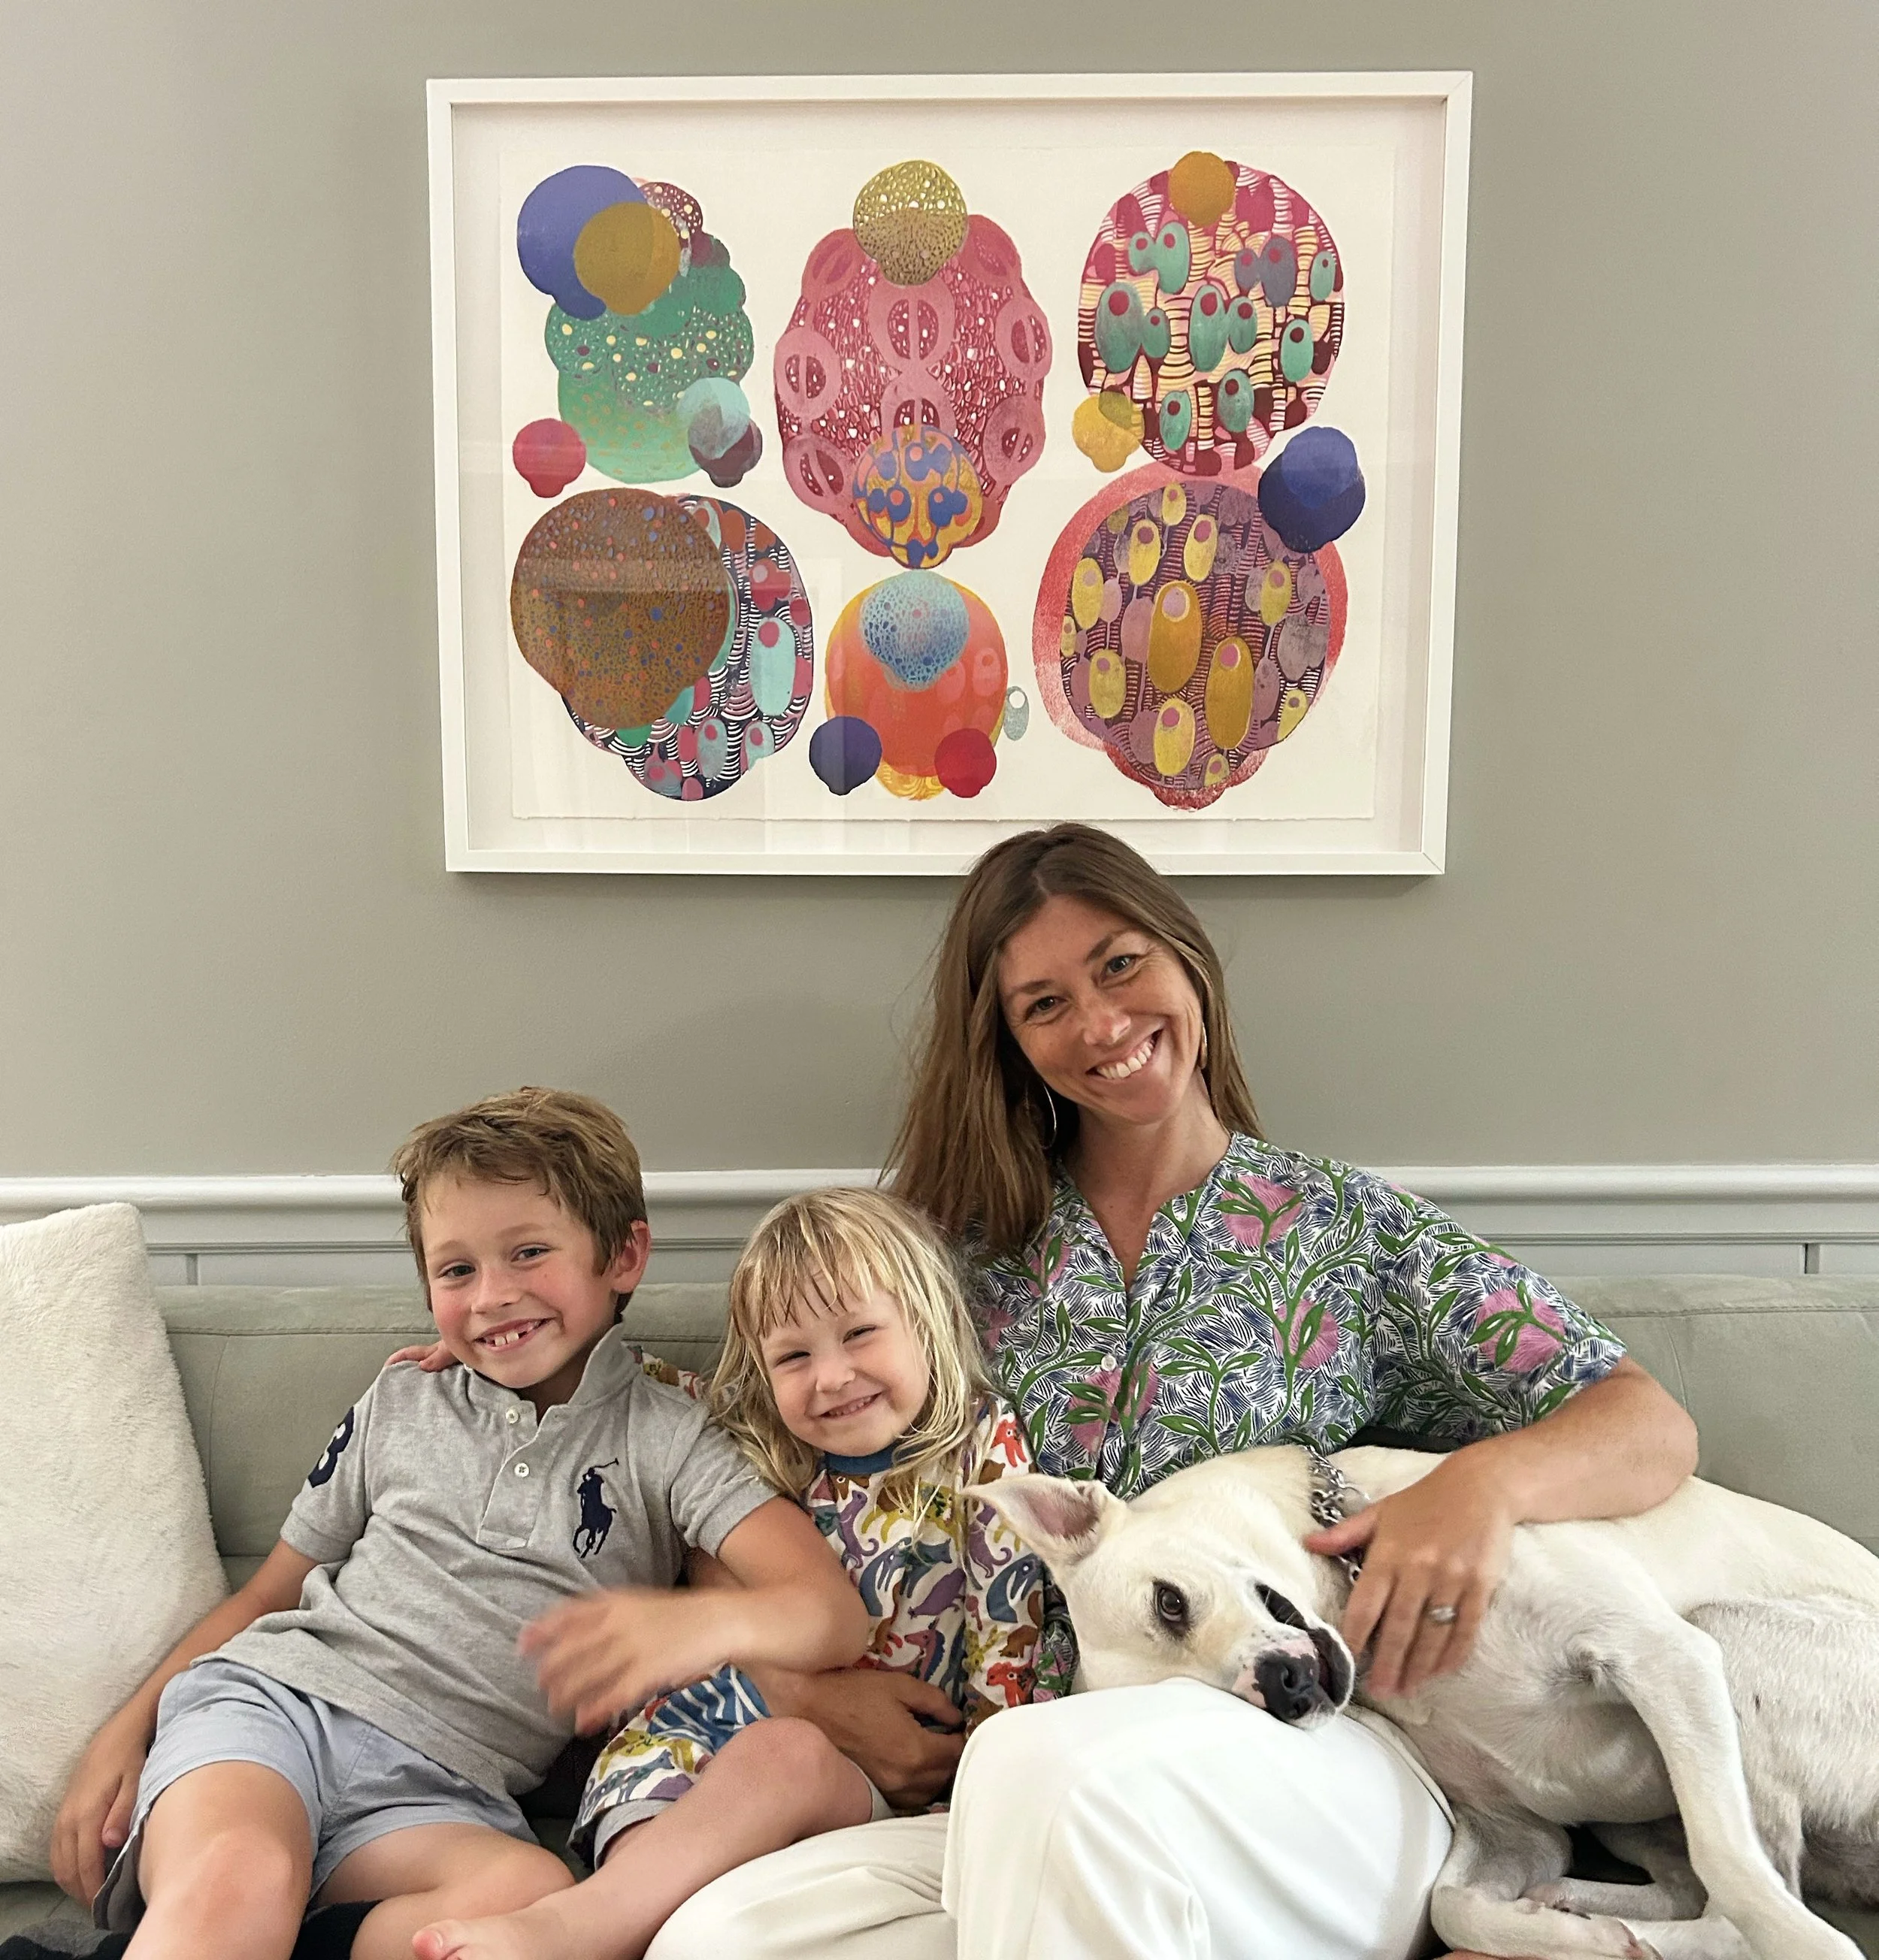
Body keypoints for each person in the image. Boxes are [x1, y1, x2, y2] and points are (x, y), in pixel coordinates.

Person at [637, 824, 1700, 1960]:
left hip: (1317, 1745)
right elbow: (742, 1463)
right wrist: (529, 1362)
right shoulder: (943, 1256)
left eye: (1119, 964)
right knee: (718, 1935)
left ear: (1187, 958)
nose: (1099, 1024)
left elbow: (1645, 1420)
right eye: (1043, 1004)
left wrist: (1483, 1487)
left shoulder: (1343, 1231)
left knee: (1044, 1776)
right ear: (1006, 1040)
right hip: (1015, 1777)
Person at [44, 1090, 867, 1960]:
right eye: (457, 1270)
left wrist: (693, 1623)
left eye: (529, 1253)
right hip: (276, 1712)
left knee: (530, 1897)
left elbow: (830, 1611)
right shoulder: (405, 1396)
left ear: (623, 1254)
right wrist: (122, 1732)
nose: (493, 1298)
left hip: (447, 1790)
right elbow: (266, 1592)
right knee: (242, 1872)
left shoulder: (672, 1438)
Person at [410, 1185, 1052, 1960]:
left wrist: (989, 1797)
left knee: (789, 1756)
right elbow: (621, 1380)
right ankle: (586, 1929)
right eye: (793, 1355)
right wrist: (499, 1352)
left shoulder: (981, 1451)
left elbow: (1007, 1635)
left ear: (926, 1321)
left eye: (859, 1334)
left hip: (855, 1782)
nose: (832, 1376)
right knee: (677, 1879)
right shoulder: (745, 1439)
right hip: (686, 1750)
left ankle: (568, 1929)